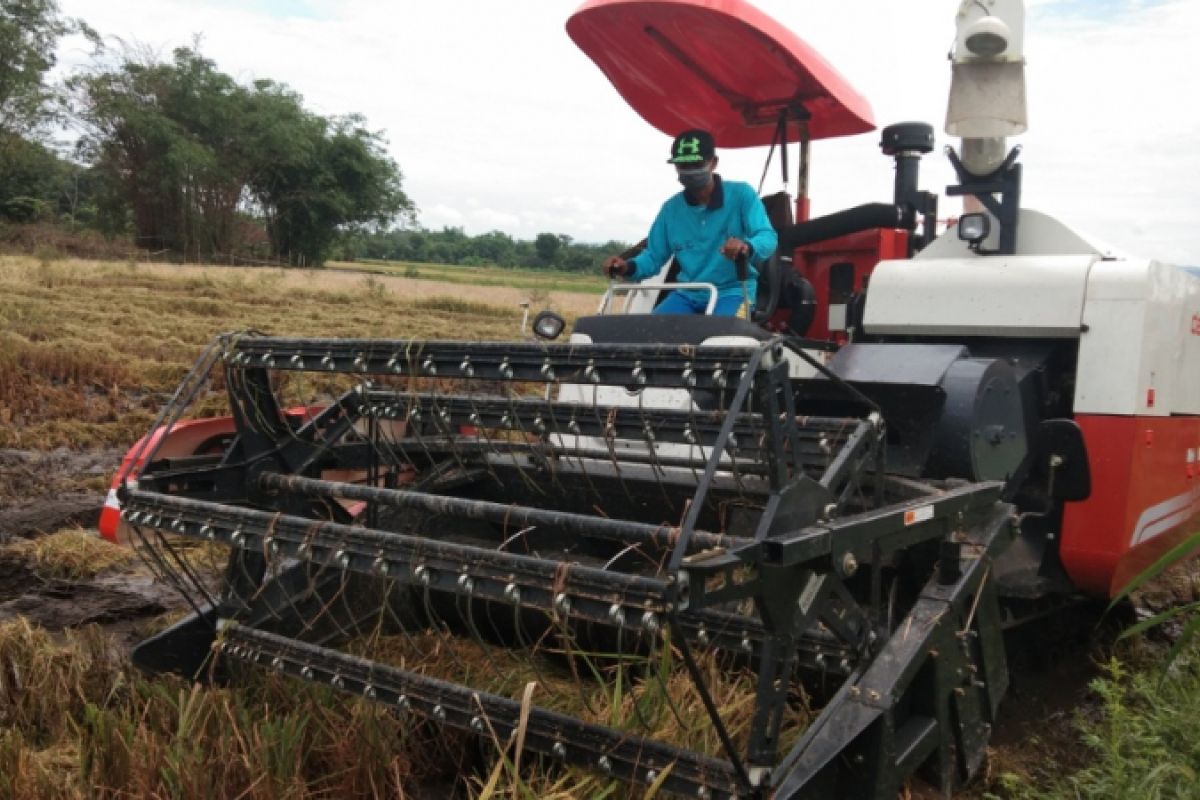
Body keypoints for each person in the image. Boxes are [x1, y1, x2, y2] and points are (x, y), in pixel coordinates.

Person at [602, 129, 778, 317]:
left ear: (714, 163)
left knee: (723, 338)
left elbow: (767, 237)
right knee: (651, 333)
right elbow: (653, 256)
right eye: (683, 165)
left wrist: (746, 247)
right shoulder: (671, 210)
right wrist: (627, 267)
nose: (690, 171)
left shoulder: (742, 195)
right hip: (688, 293)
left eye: (696, 164)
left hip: (734, 292)